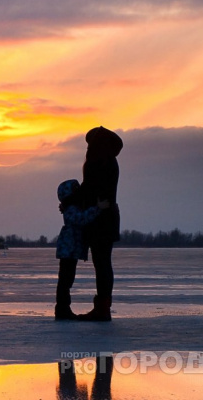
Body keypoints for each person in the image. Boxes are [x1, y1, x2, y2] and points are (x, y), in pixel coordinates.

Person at [77, 126, 123, 322]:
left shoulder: (99, 162)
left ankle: (102, 309)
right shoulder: (109, 161)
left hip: (100, 218)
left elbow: (89, 189)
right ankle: (103, 306)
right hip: (107, 216)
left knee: (102, 262)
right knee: (103, 262)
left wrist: (71, 200)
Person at [55, 179, 109, 320]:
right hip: (68, 250)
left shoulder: (72, 207)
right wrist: (98, 208)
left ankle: (63, 308)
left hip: (71, 250)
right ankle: (62, 308)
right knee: (65, 280)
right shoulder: (71, 209)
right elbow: (82, 219)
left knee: (67, 279)